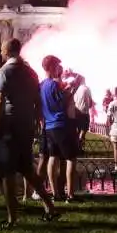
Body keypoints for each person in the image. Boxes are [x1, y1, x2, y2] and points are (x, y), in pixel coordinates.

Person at [0, 39, 59, 229]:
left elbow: (0, 101)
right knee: (27, 169)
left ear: (7, 52)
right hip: (25, 127)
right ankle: (50, 207)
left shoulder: (4, 73)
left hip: (8, 126)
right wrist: (36, 121)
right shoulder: (31, 72)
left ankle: (12, 218)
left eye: (2, 49)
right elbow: (37, 101)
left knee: (7, 173)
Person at [40, 55, 78, 202]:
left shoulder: (42, 84)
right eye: (56, 66)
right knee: (71, 158)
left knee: (52, 157)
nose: (58, 69)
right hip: (61, 124)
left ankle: (55, 193)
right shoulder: (53, 85)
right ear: (51, 67)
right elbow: (61, 103)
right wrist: (70, 92)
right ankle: (70, 194)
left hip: (49, 126)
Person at [73, 75, 94, 151]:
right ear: (83, 80)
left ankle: (76, 147)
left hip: (76, 112)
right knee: (83, 130)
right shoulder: (86, 88)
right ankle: (80, 148)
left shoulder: (75, 89)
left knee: (77, 130)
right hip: (84, 112)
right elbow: (91, 102)